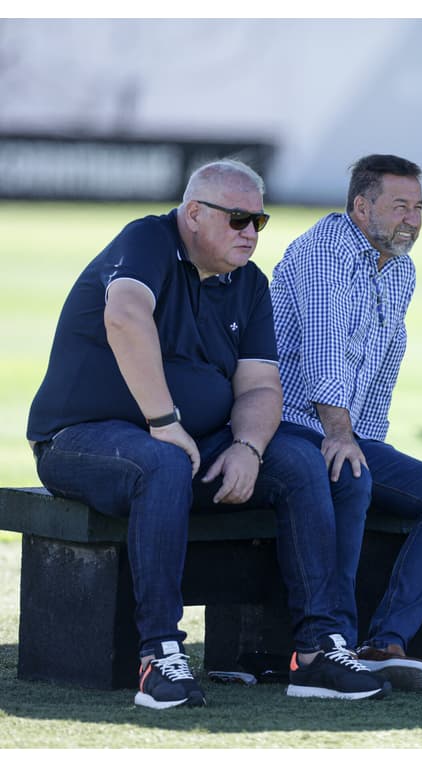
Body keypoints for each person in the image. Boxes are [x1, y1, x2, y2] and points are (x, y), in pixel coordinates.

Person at [26, 159, 393, 709]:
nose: (251, 233)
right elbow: (125, 317)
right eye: (239, 219)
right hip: (83, 439)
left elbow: (262, 387)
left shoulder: (248, 283)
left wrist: (248, 447)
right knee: (163, 463)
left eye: (259, 222)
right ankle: (159, 656)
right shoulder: (149, 239)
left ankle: (317, 651)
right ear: (194, 214)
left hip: (193, 444)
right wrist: (165, 423)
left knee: (298, 460)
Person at [269, 154, 422, 692]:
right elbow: (324, 351)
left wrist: (363, 441)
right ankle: (328, 647)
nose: (413, 219)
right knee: (351, 476)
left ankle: (385, 643)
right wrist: (342, 437)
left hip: (342, 430)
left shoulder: (399, 269)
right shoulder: (323, 252)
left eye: (419, 208)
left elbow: (382, 369)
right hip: (286, 424)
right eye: (399, 206)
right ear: (361, 206)